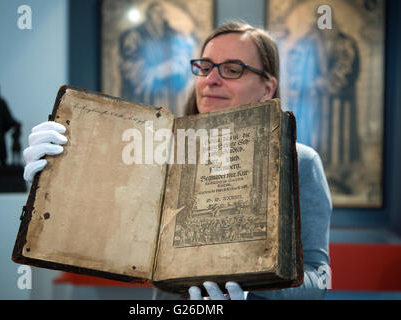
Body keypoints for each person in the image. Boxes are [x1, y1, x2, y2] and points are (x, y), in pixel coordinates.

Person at [23, 21, 332, 300]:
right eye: (206, 66)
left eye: (232, 69)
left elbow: (319, 281)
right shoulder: (163, 153)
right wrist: (50, 182)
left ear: (268, 88)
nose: (211, 79)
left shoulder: (300, 161)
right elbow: (104, 225)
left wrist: (252, 292)